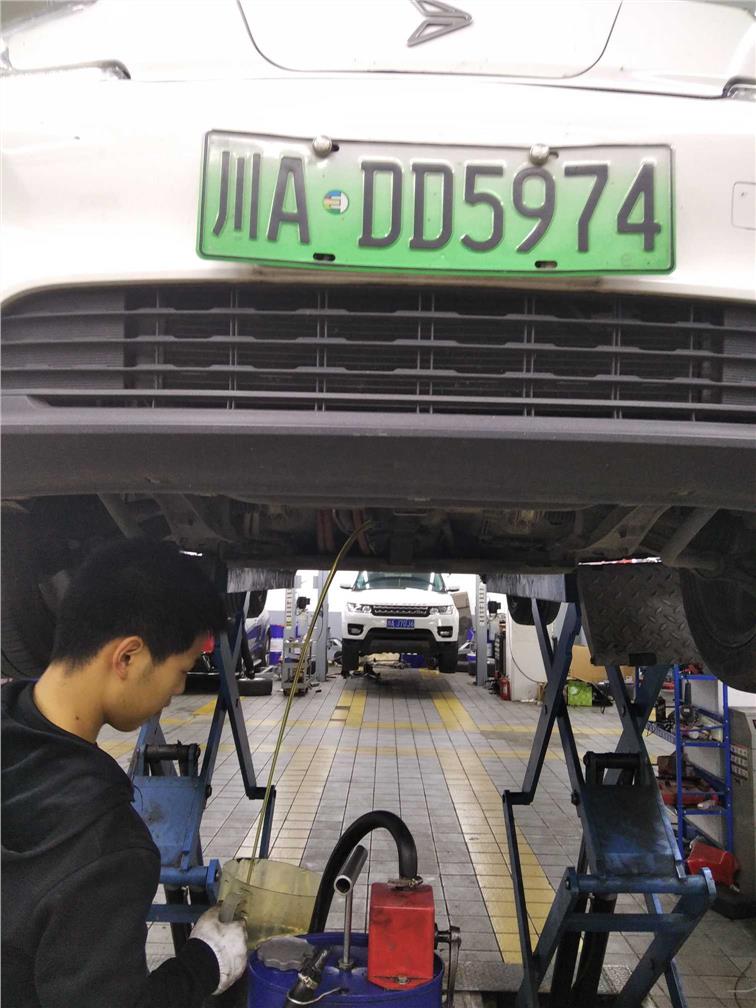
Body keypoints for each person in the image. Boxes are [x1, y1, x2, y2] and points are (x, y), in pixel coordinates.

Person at [2, 538, 248, 1007]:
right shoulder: (107, 846)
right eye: (182, 669)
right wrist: (206, 962)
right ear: (128, 657)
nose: (178, 689)